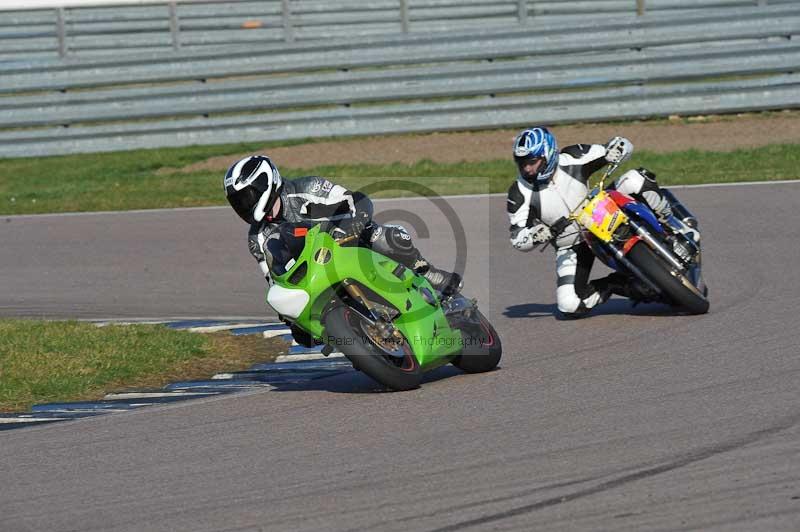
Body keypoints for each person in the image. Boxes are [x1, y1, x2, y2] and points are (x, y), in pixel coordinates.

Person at [506, 126, 700, 318]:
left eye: (532, 162)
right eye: (522, 163)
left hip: (598, 209)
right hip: (572, 243)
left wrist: (618, 149)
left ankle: (675, 227)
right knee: (569, 304)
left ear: (548, 154)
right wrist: (536, 235)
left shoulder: (573, 156)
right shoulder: (518, 192)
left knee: (634, 179)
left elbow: (615, 147)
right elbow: (517, 238)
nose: (527, 168)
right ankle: (616, 284)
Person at [224, 155, 463, 297]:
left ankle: (427, 273)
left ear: (266, 183)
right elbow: (274, 281)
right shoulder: (257, 239)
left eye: (247, 197)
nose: (243, 205)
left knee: (385, 237)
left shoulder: (307, 189)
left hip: (352, 242)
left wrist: (348, 229)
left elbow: (357, 200)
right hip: (317, 273)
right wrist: (289, 318)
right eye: (238, 202)